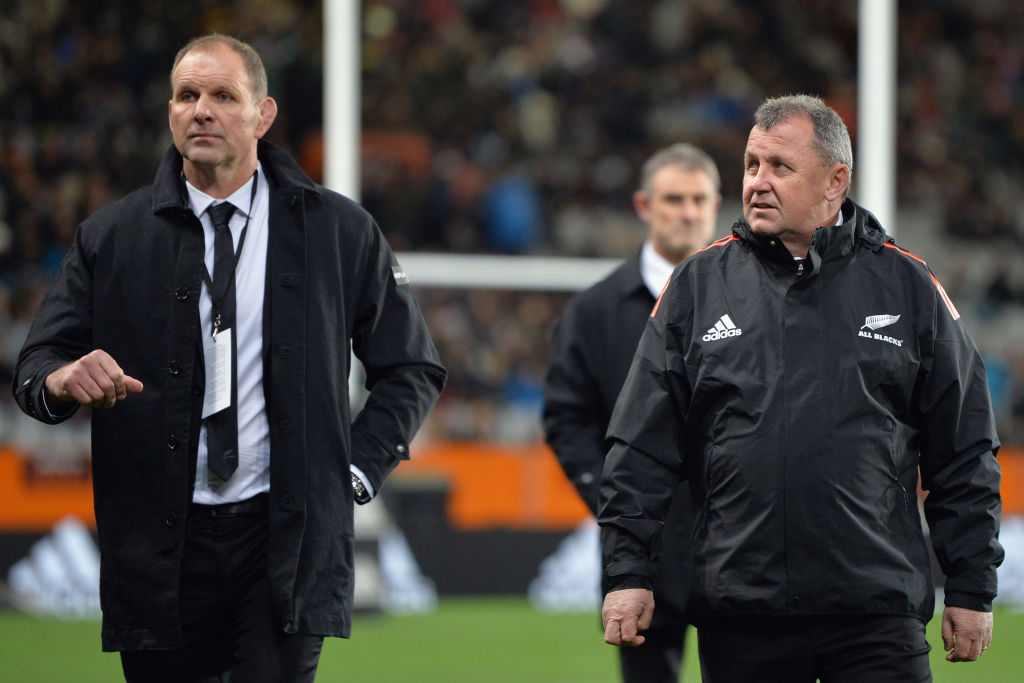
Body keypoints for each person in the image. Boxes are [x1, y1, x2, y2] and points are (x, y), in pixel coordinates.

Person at [12, 34, 445, 683]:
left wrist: (352, 468)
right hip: (158, 546)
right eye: (187, 95)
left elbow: (412, 366)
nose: (202, 110)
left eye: (223, 95)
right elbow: (36, 362)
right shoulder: (111, 236)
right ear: (169, 112)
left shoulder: (339, 230)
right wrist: (63, 376)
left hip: (282, 536)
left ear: (263, 114)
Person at [598, 94, 1003, 682]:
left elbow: (963, 449)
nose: (758, 182)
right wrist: (628, 574)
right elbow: (640, 447)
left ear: (835, 180)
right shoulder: (697, 286)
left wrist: (971, 585)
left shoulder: (908, 286)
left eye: (779, 167)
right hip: (743, 615)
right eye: (751, 165)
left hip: (876, 614)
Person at [544, 143, 721, 682]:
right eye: (674, 199)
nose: (688, 212)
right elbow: (566, 418)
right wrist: (614, 504)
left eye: (699, 199)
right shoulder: (595, 311)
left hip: (741, 539)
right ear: (644, 205)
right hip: (642, 547)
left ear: (716, 205)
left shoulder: (756, 299)